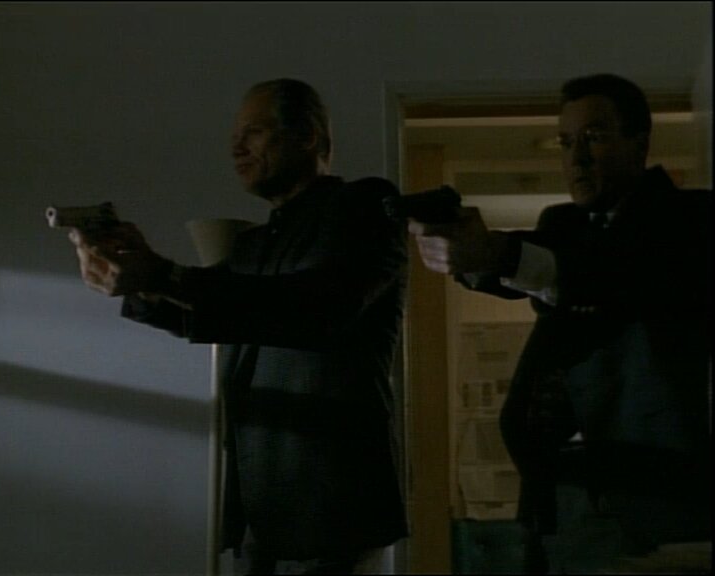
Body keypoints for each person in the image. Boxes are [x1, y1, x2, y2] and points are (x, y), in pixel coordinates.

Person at [69, 78, 409, 574]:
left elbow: (321, 307)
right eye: (235, 136)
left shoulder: (367, 204)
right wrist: (135, 280)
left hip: (334, 505)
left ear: (308, 136)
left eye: (254, 132)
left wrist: (163, 275)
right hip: (259, 507)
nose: (236, 148)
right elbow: (212, 313)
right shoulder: (254, 243)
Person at [409, 73, 711, 573]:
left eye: (594, 137)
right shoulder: (566, 225)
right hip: (560, 499)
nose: (577, 158)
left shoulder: (691, 219)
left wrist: (500, 255)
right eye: (566, 142)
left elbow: (611, 271)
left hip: (657, 498)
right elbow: (554, 260)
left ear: (639, 143)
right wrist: (475, 255)